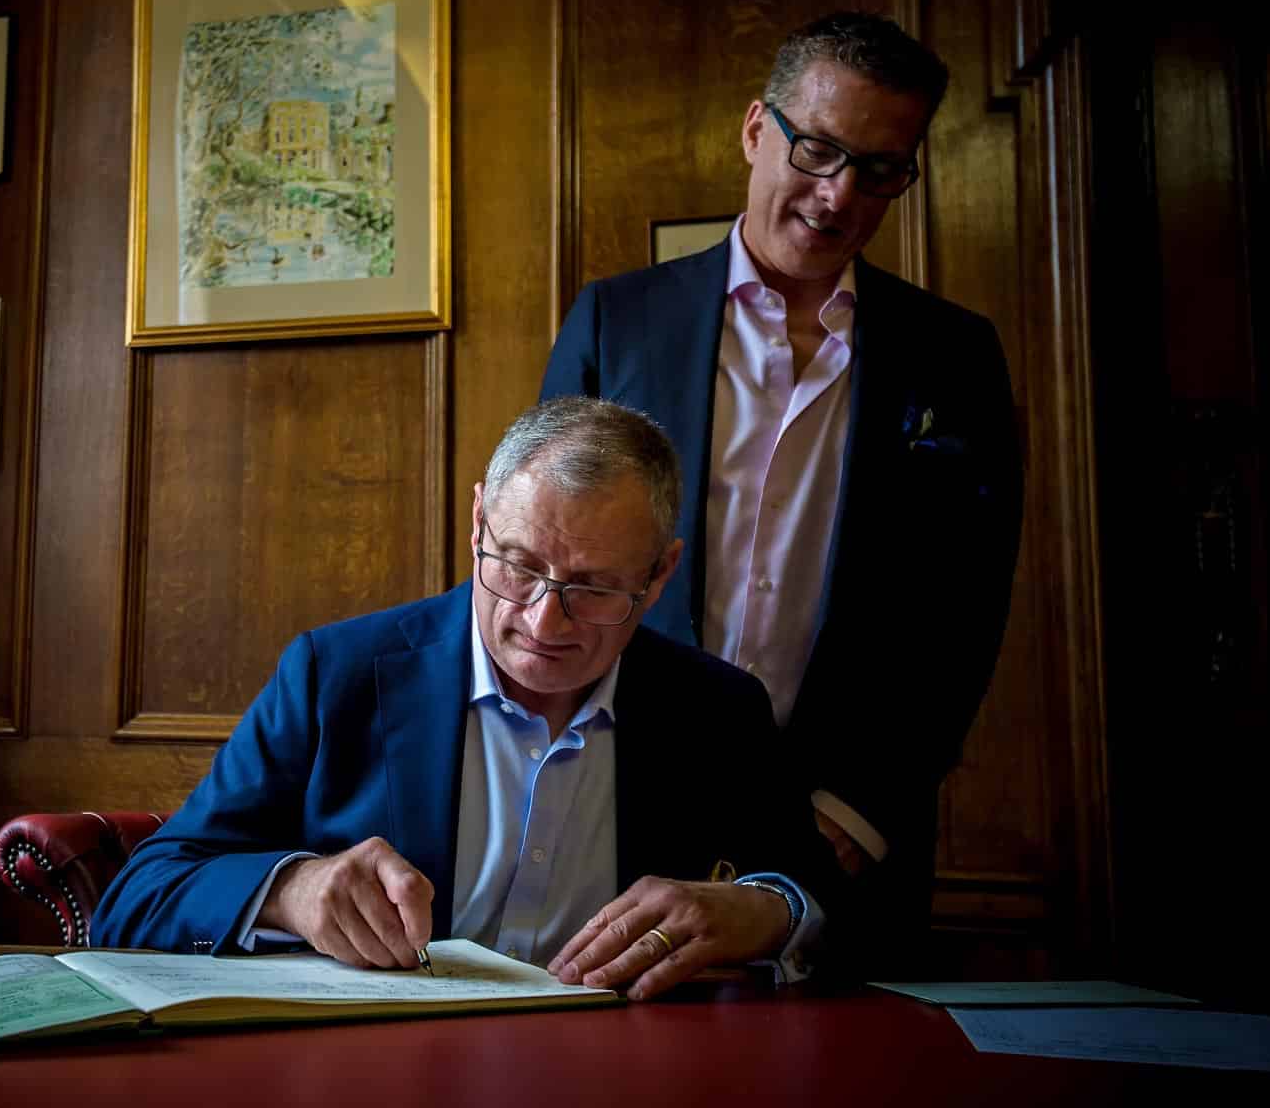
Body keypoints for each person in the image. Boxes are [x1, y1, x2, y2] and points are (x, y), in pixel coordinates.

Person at [539, 13, 1023, 965]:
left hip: (848, 828)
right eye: (818, 150)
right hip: (621, 798)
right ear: (757, 130)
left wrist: (865, 806)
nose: (838, 195)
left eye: (879, 169)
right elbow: (549, 554)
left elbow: (968, 605)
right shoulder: (616, 318)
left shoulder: (956, 355)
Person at [92, 397, 841, 999]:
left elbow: (851, 919)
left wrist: (766, 913)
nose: (544, 621)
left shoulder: (718, 709)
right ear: (479, 521)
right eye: (517, 567)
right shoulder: (337, 673)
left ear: (659, 575)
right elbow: (136, 900)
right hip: (377, 1073)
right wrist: (291, 887)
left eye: (595, 587)